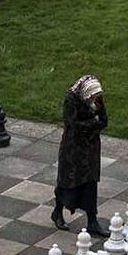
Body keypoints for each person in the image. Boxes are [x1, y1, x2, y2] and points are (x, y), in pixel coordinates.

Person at [53, 75, 110, 237]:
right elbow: (72, 124)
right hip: (72, 148)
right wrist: (93, 122)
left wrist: (92, 123)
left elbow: (104, 120)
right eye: (92, 98)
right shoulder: (71, 98)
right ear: (85, 93)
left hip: (91, 147)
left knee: (90, 182)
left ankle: (92, 221)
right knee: (68, 181)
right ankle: (57, 212)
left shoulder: (96, 95)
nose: (96, 100)